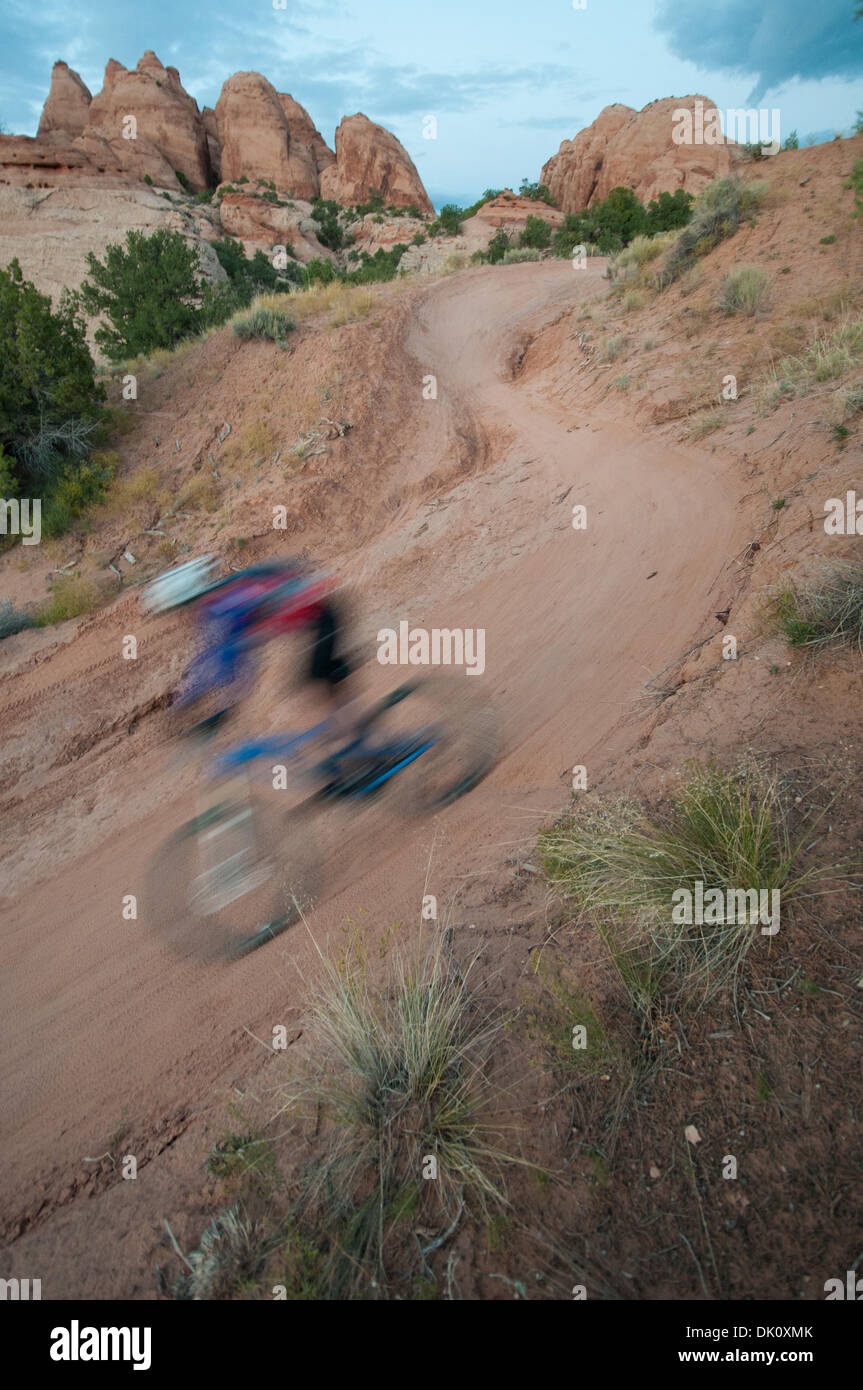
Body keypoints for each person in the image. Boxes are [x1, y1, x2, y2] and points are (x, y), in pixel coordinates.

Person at [142, 555, 356, 740]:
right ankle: (350, 726)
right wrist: (201, 700)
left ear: (188, 600)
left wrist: (215, 710)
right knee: (311, 681)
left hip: (323, 617)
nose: (179, 615)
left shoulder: (221, 610)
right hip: (319, 614)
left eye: (178, 609)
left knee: (314, 679)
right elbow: (216, 655)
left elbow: (226, 661)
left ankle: (355, 733)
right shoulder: (221, 599)